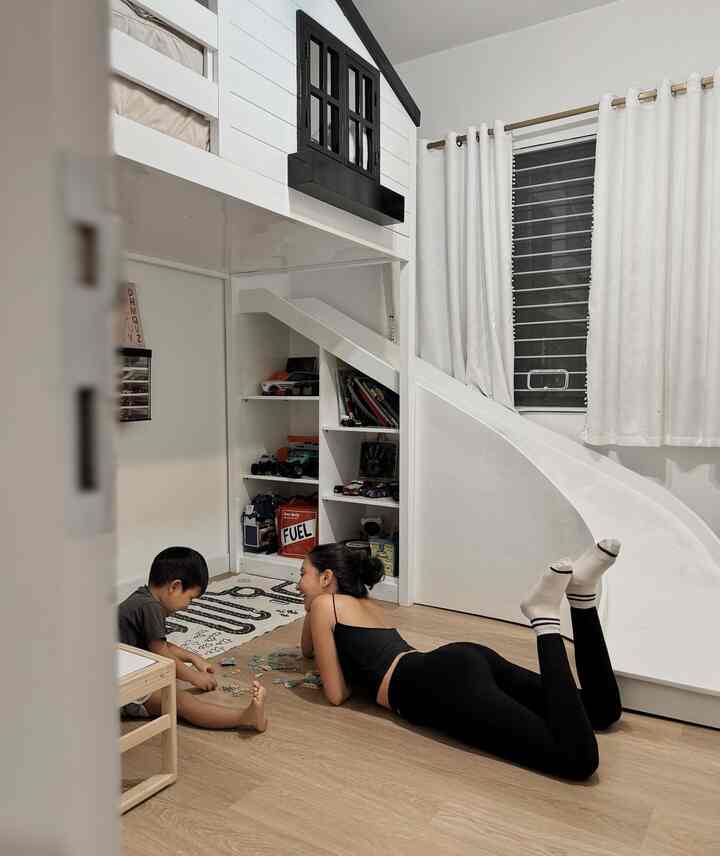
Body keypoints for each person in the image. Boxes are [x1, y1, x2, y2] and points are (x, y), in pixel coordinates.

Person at [298, 540, 623, 780]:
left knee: (578, 760)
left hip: (440, 687)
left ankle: (544, 617)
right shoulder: (367, 604)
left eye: (303, 574)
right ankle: (582, 597)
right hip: (459, 660)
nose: (298, 584)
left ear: (327, 578)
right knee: (600, 710)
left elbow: (336, 694)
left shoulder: (326, 607)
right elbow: (310, 651)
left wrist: (313, 609)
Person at [118, 546, 267, 732]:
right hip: (120, 690)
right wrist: (195, 678)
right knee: (181, 701)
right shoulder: (151, 607)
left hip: (120, 672)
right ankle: (245, 718)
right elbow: (162, 653)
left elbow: (159, 644)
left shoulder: (143, 598)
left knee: (174, 688)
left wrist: (193, 658)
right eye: (191, 598)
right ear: (175, 587)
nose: (188, 606)